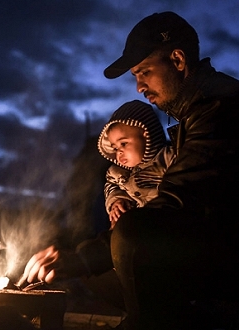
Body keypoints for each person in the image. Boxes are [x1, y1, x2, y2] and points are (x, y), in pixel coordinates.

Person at [19, 11, 239, 329]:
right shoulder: (196, 114)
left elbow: (177, 205)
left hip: (226, 266)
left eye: (144, 72)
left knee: (135, 233)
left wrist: (85, 256)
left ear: (177, 60)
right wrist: (77, 261)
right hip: (215, 256)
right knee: (102, 276)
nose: (139, 87)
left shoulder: (220, 111)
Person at [98, 100, 175, 230]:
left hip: (163, 223)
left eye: (123, 143)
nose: (119, 151)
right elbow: (112, 187)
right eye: (115, 148)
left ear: (146, 136)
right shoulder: (117, 173)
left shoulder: (167, 158)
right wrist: (117, 201)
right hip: (133, 227)